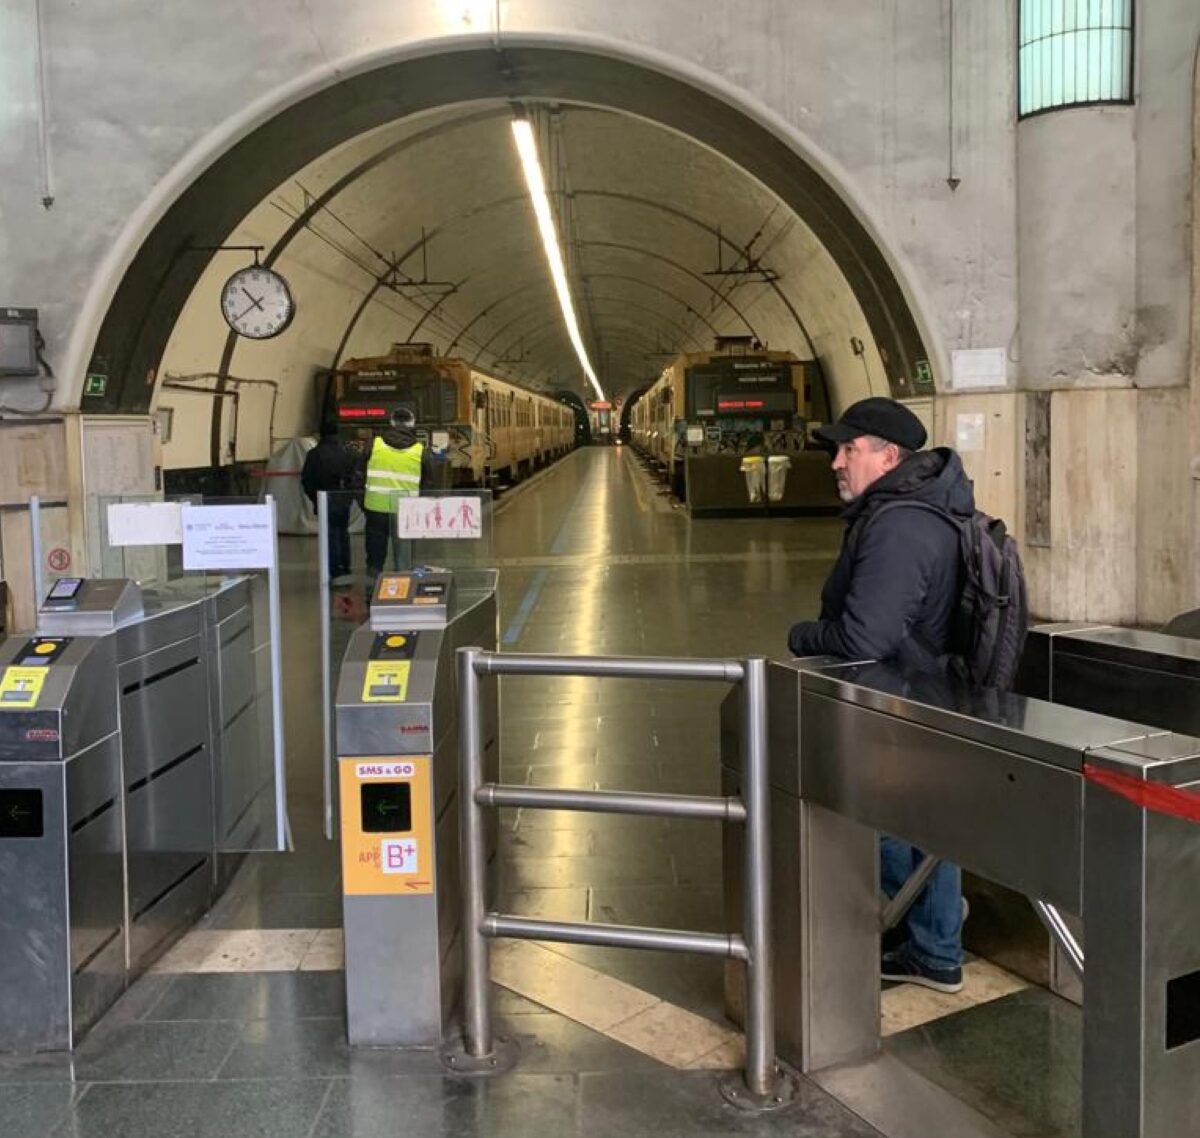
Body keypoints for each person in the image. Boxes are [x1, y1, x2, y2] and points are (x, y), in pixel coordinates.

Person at [787, 396, 974, 994]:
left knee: (897, 820)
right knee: (919, 818)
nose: (837, 462)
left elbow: (864, 636)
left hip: (902, 694)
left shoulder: (901, 525)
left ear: (889, 455)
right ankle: (932, 926)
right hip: (912, 690)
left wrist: (802, 635)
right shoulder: (904, 511)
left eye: (849, 449)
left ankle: (934, 945)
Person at [362, 407, 425, 577]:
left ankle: (372, 593)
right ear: (412, 424)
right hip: (406, 511)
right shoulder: (420, 450)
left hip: (376, 510)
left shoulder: (374, 444)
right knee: (403, 557)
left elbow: (359, 474)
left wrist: (364, 501)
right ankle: (402, 592)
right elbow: (428, 483)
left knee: (375, 557)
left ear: (391, 422)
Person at [301, 427, 356, 584]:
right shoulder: (348, 452)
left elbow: (307, 480)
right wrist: (349, 497)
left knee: (329, 535)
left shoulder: (314, 454)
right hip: (343, 500)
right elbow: (355, 478)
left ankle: (334, 571)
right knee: (343, 534)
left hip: (324, 500)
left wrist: (315, 499)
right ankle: (346, 567)